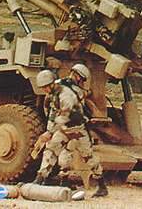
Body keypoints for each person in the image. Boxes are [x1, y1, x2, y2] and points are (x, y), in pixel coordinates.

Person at [33, 69, 107, 197]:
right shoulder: (53, 93)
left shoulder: (66, 95)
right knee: (51, 149)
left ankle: (102, 186)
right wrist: (48, 132)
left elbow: (65, 116)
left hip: (77, 129)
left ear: (52, 84)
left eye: (46, 87)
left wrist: (50, 132)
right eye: (43, 87)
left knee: (88, 157)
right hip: (63, 128)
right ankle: (40, 179)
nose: (44, 90)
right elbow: (52, 114)